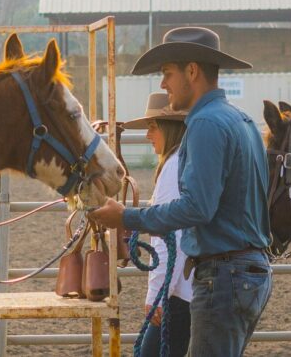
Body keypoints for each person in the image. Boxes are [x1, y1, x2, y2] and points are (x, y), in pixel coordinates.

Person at [90, 26, 272, 356]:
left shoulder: (205, 124)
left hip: (223, 275)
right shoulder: (243, 122)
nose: (163, 84)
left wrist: (126, 216)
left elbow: (197, 208)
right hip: (249, 271)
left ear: (192, 71)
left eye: (168, 73)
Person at [124, 93, 192, 357]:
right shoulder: (184, 162)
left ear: (169, 127)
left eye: (153, 126)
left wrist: (156, 295)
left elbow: (169, 238)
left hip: (177, 293)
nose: (147, 135)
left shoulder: (173, 167)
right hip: (183, 289)